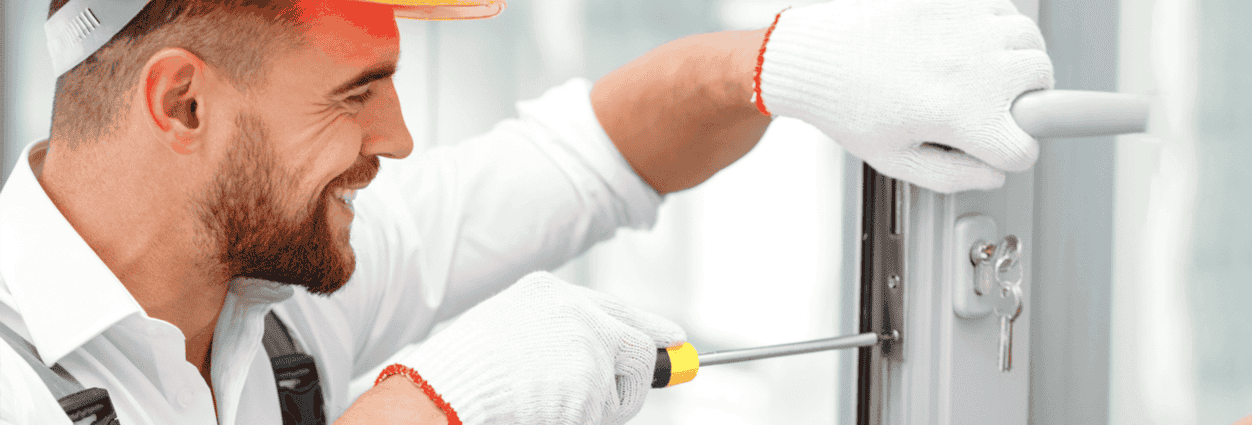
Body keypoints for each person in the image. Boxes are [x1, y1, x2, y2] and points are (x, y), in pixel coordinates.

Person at [0, 0, 1052, 424]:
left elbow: (585, 157)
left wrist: (777, 66)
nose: (398, 137)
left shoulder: (276, 283)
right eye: (355, 92)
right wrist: (430, 405)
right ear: (183, 105)